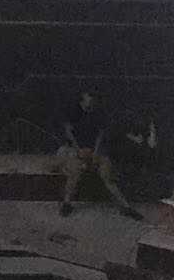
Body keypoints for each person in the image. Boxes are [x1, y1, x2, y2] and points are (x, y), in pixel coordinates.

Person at [57, 91, 143, 219]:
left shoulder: (98, 115)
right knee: (75, 172)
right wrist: (79, 150)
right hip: (76, 150)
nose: (91, 101)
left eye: (93, 99)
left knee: (107, 175)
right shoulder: (73, 113)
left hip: (95, 151)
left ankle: (126, 207)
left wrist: (95, 153)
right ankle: (66, 204)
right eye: (88, 98)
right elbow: (69, 134)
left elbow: (100, 136)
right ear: (82, 100)